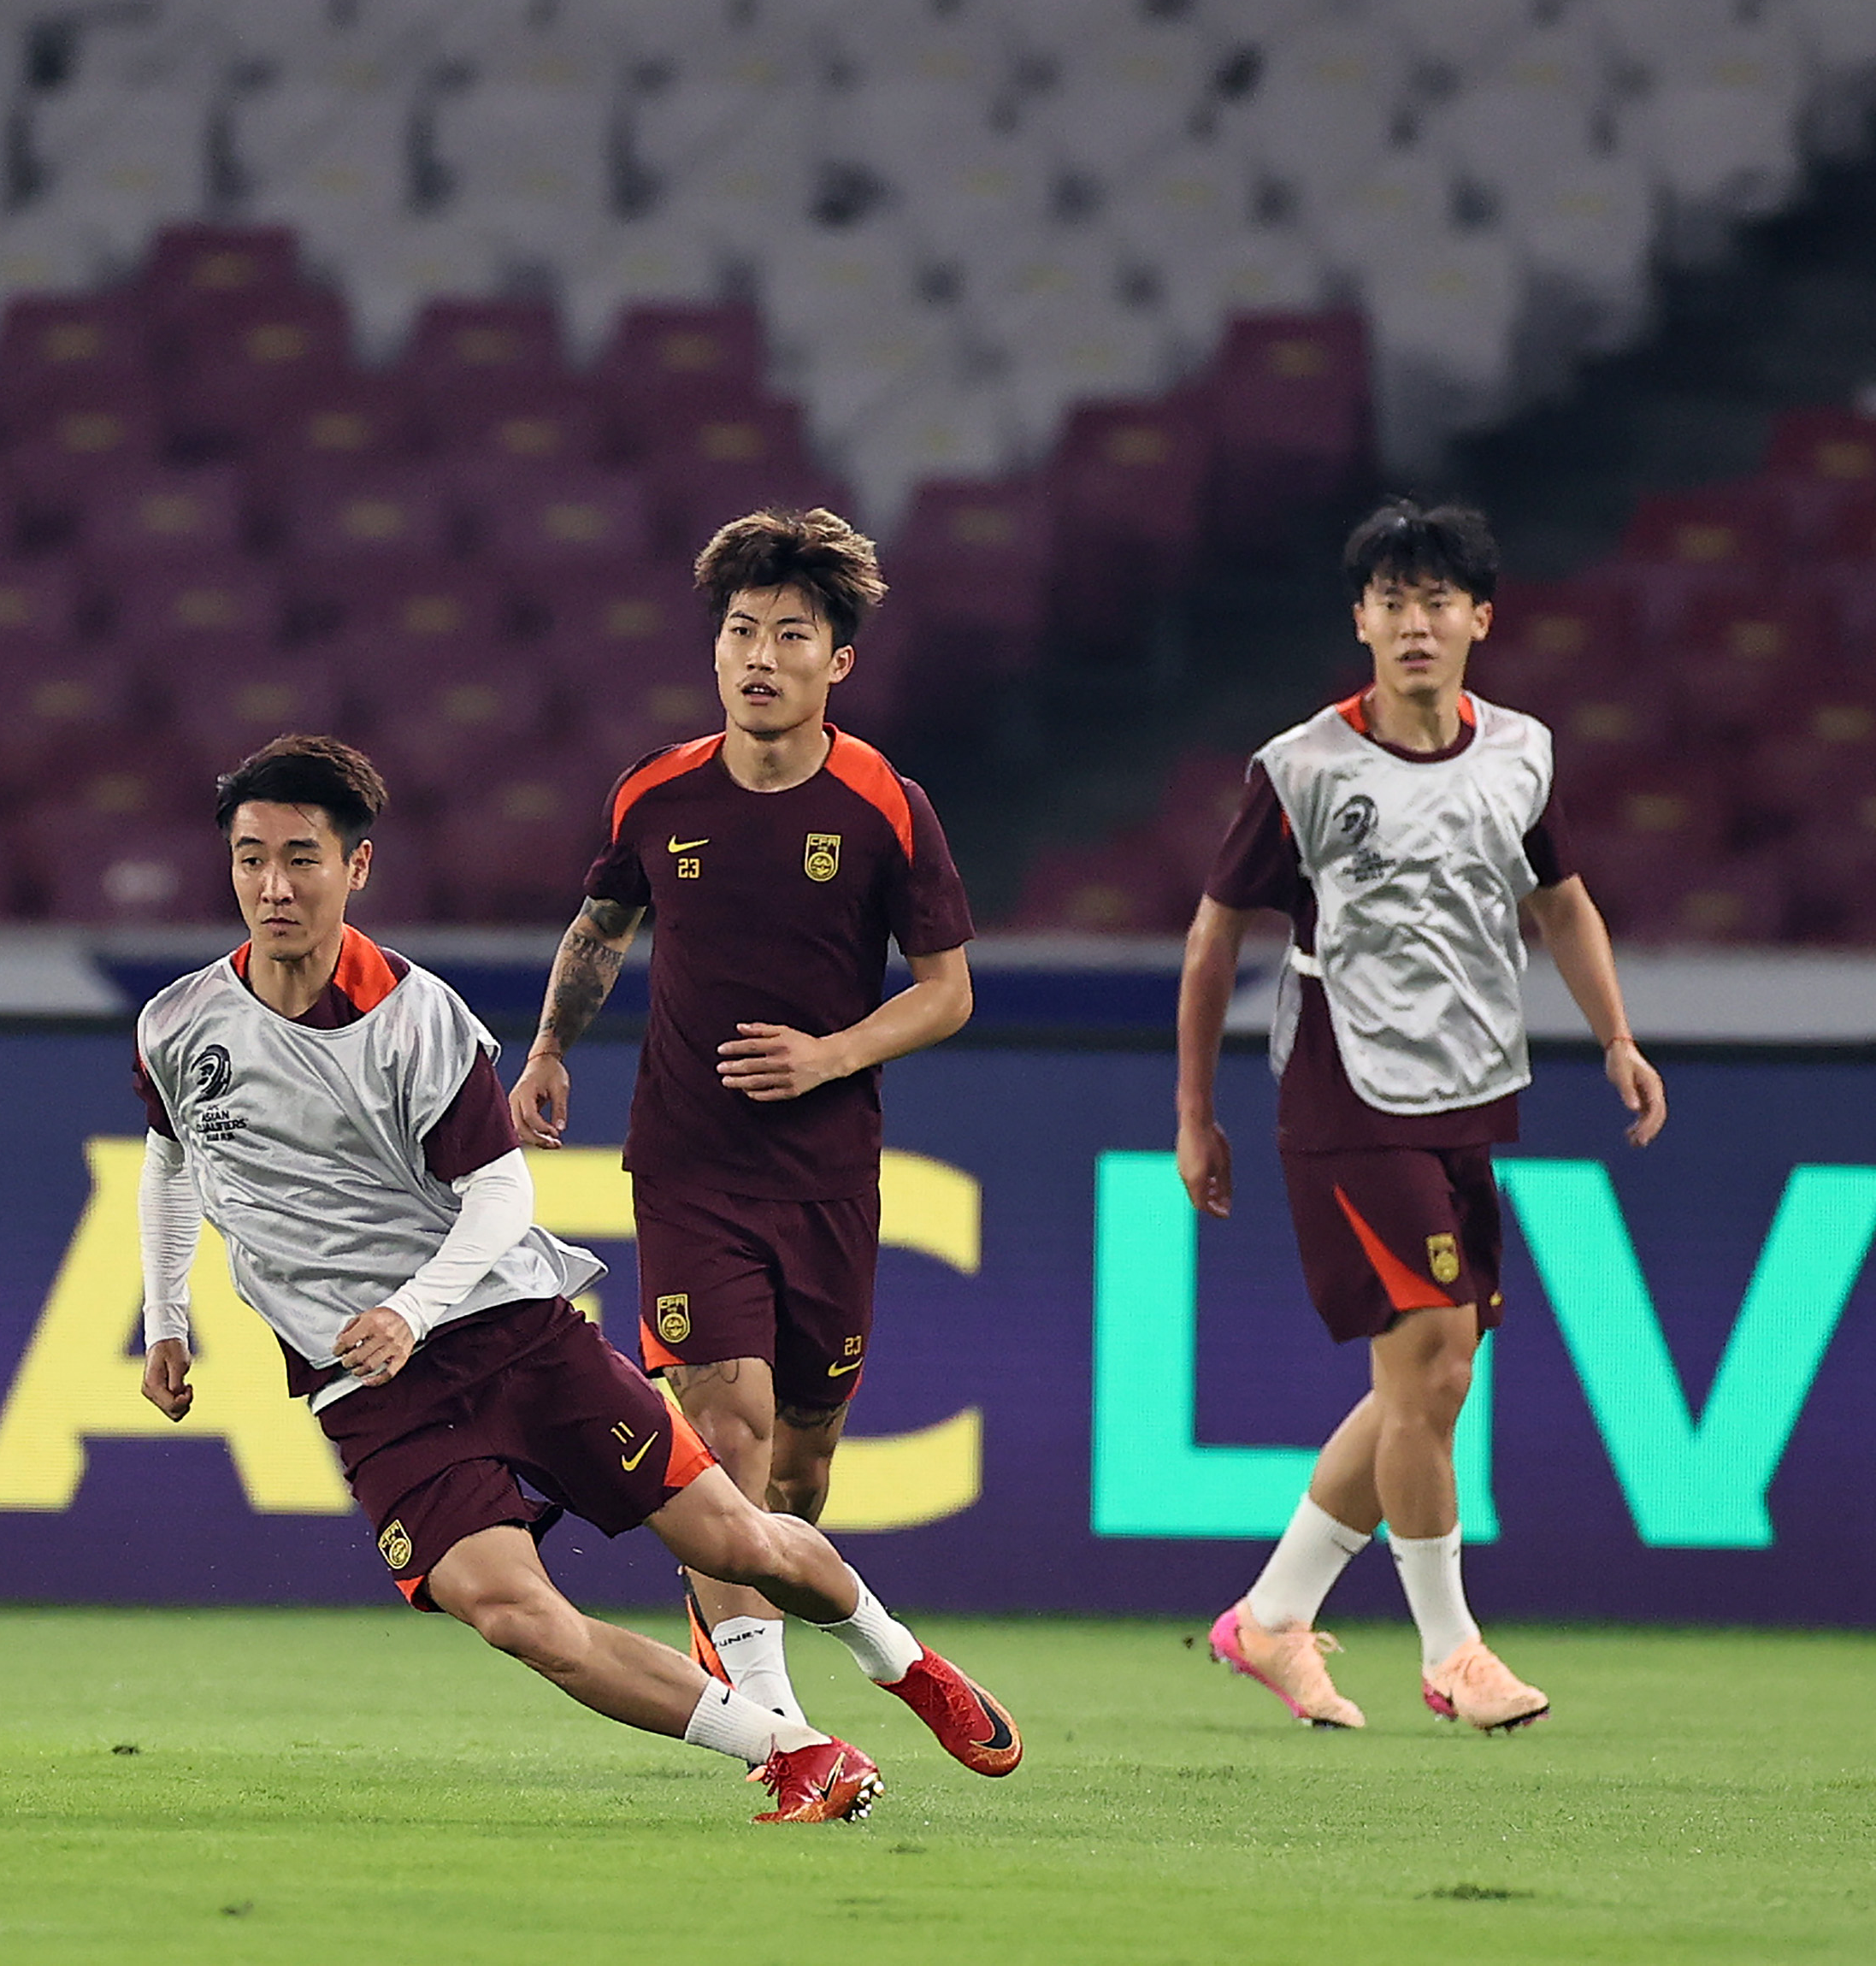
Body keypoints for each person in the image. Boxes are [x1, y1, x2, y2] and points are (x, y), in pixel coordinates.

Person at [135, 734, 1019, 1824]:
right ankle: (796, 1750)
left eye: (301, 858)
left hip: (509, 1332)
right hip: (366, 1385)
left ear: (356, 867)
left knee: (736, 1537)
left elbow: (501, 1197)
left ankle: (900, 1661)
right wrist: (166, 1313)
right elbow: (174, 1152)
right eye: (250, 857)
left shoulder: (416, 1020)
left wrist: (412, 1309)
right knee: (513, 1616)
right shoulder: (177, 1022)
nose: (272, 886)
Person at [1177, 499, 1667, 1733]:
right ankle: (1453, 1650)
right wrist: (1195, 1109)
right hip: (1347, 1091)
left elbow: (1562, 901)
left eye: (1436, 600)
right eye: (1391, 601)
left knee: (1435, 1379)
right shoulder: (1303, 768)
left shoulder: (1521, 754)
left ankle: (1274, 1617)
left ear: (1479, 620)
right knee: (1429, 1347)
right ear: (1361, 620)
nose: (1413, 622)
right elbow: (1213, 934)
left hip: (1468, 1090)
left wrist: (1615, 1033)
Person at [507, 507, 979, 1736]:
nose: (759, 656)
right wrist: (553, 1047)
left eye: (789, 635)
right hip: (686, 1164)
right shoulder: (657, 794)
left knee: (800, 1465)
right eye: (739, 632)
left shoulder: (890, 804)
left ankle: (769, 1650)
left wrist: (832, 1052)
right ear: (713, 651)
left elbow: (946, 992)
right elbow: (603, 926)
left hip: (827, 1177)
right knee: (721, 1436)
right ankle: (780, 1733)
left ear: (840, 662)